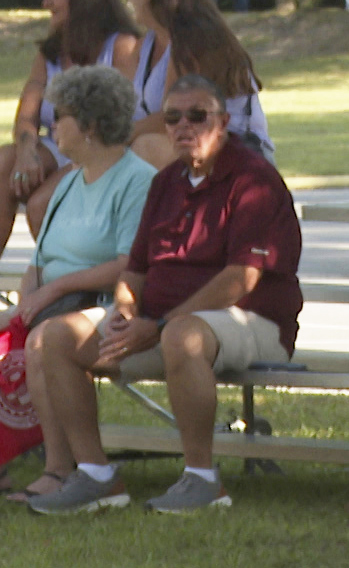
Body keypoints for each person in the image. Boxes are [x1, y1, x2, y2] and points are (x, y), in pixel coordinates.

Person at [26, 75, 302, 515]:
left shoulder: (254, 181)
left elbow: (241, 280)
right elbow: (134, 270)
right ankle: (96, 475)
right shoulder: (167, 182)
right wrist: (124, 311)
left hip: (252, 320)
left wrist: (155, 325)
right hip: (160, 322)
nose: (183, 126)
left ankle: (203, 479)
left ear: (224, 121)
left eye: (198, 116)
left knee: (182, 335)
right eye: (172, 117)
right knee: (56, 337)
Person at [4, 66, 157, 504]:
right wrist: (29, 293)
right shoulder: (70, 181)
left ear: (89, 125)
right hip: (52, 302)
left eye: (62, 116)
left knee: (41, 342)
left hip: (107, 302)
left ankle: (60, 468)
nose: (52, 127)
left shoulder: (136, 180)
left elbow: (130, 263)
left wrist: (50, 292)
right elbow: (40, 258)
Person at [0, 0, 139, 243]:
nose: (45, 2)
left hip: (103, 150)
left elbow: (124, 120)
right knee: (5, 161)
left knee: (42, 204)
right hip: (58, 146)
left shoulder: (121, 46)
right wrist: (27, 151)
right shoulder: (50, 53)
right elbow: (27, 116)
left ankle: (60, 281)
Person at [125, 0, 274, 164]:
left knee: (144, 149)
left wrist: (118, 137)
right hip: (191, 151)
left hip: (239, 156)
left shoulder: (193, 42)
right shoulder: (146, 44)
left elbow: (172, 117)